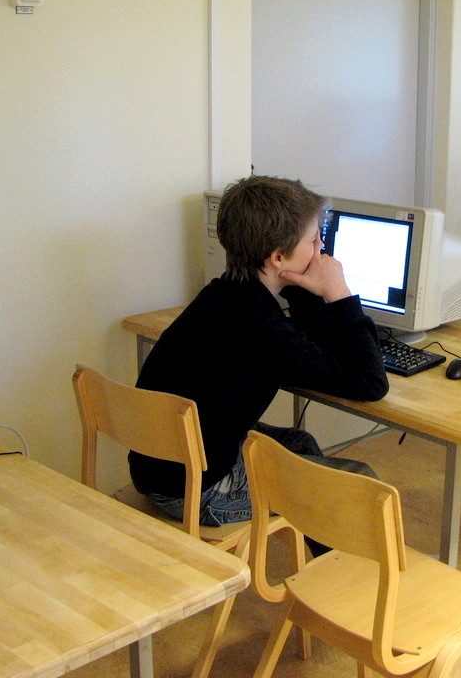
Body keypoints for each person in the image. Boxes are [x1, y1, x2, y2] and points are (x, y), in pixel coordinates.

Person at [131, 175, 389, 531]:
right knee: (356, 483)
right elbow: (370, 383)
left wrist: (301, 286)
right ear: (278, 257)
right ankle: (346, 560)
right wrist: (340, 295)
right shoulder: (260, 329)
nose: (322, 250)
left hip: (164, 465)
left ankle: (320, 550)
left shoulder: (226, 294)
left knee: (299, 444)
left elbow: (311, 345)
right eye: (314, 240)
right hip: (195, 490)